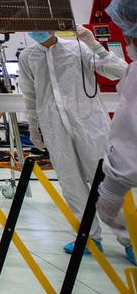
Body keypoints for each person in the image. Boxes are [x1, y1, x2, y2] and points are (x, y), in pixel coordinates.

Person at [21, 25, 129, 253]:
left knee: (105, 183)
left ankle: (131, 240)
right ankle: (88, 238)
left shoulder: (79, 48)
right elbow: (29, 95)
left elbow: (121, 72)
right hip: (55, 128)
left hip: (91, 127)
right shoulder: (28, 57)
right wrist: (34, 127)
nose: (36, 29)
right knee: (71, 185)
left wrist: (94, 44)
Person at [94, 0, 137, 266]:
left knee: (108, 208)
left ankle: (130, 241)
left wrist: (115, 175)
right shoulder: (133, 71)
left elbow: (128, 130)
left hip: (125, 167)